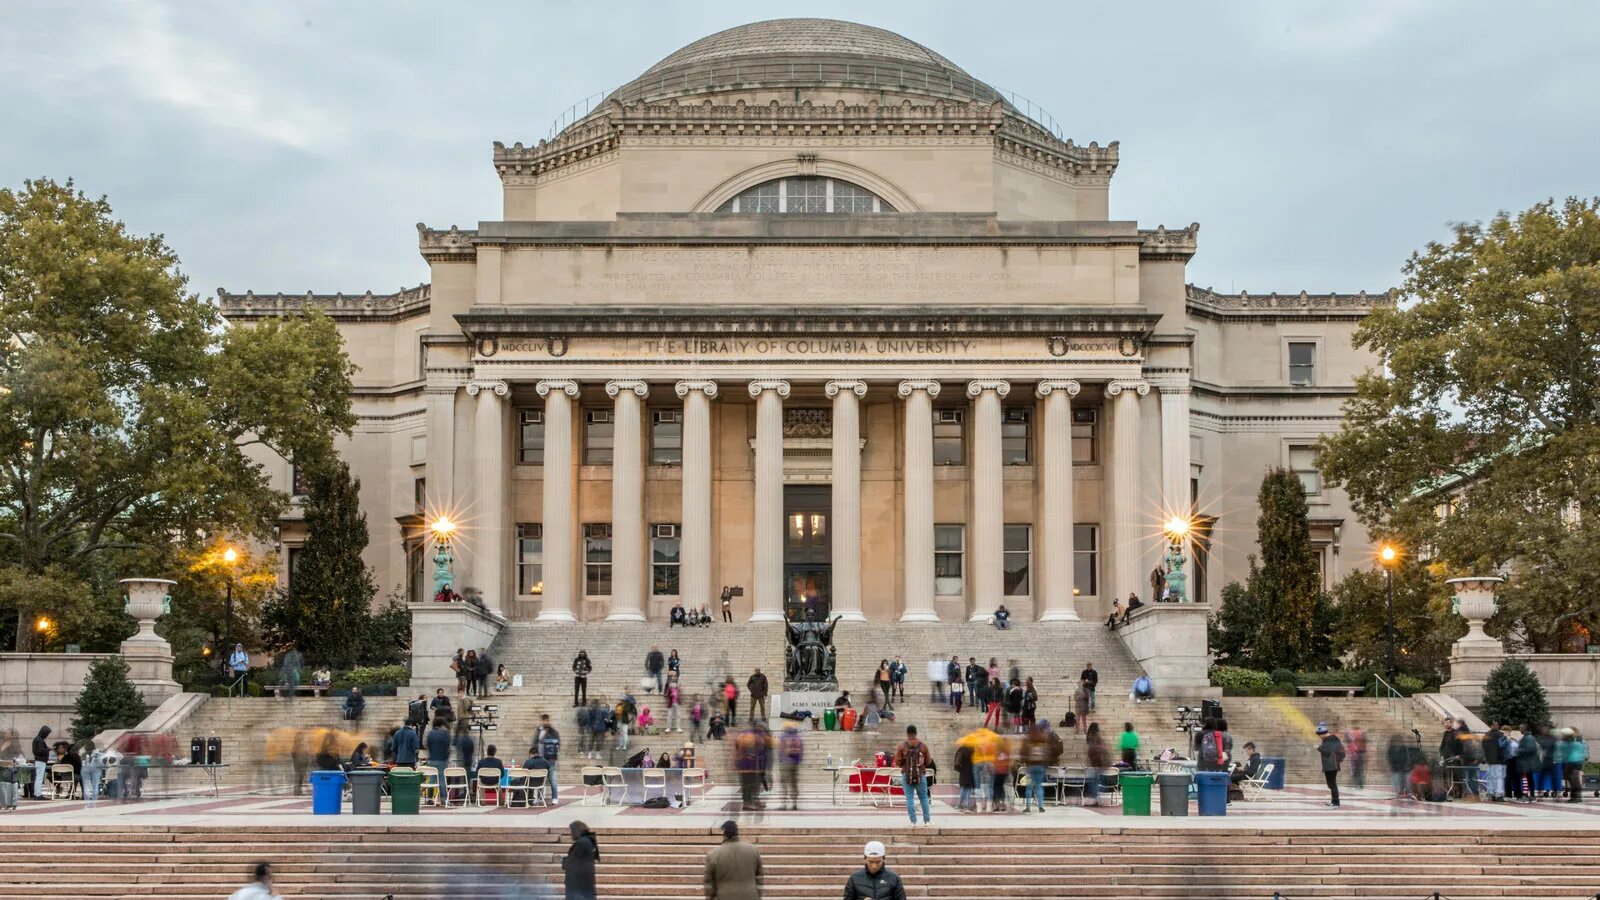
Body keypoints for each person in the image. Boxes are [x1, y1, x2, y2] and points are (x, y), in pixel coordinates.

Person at [704, 819, 763, 900]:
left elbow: (709, 884)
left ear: (723, 833)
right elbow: (759, 877)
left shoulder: (713, 855)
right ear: (737, 832)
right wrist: (757, 894)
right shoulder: (753, 850)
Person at [893, 725, 932, 825]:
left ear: (907, 733)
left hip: (906, 774)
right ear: (916, 733)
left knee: (909, 798)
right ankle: (927, 821)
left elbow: (897, 761)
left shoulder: (902, 746)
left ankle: (913, 821)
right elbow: (928, 761)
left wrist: (905, 765)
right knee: (923, 797)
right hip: (920, 774)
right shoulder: (923, 745)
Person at [562, 820, 599, 900]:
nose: (571, 834)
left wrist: (564, 861)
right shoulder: (589, 841)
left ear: (577, 831)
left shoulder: (582, 843)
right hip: (585, 884)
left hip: (578, 886)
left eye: (572, 831)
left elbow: (573, 862)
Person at [1316, 723, 1346, 808]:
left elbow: (1327, 751)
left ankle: (1335, 803)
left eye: (1319, 735)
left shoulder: (1331, 739)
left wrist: (1318, 747)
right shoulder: (1330, 739)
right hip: (1330, 765)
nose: (1319, 737)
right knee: (1331, 784)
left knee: (1332, 784)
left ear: (1323, 733)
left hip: (1331, 765)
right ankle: (1334, 802)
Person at [535, 713, 561, 800]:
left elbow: (558, 745)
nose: (544, 722)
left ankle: (555, 797)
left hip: (551, 759)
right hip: (540, 758)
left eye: (546, 720)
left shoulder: (553, 731)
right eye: (543, 720)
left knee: (552, 778)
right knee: (540, 778)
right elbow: (535, 743)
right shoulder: (539, 730)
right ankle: (539, 797)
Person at [778, 725, 803, 810]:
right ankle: (794, 803)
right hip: (795, 764)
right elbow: (801, 752)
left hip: (785, 763)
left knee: (784, 783)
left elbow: (781, 750)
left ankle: (784, 804)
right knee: (793, 784)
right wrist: (797, 762)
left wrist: (780, 760)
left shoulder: (783, 737)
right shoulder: (798, 738)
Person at [1083, 722, 1107, 806]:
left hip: (1092, 761)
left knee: (1093, 781)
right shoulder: (1097, 737)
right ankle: (1096, 798)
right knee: (1096, 781)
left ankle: (1094, 797)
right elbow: (1102, 749)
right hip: (1098, 762)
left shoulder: (1089, 736)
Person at [1564, 727, 1588, 803]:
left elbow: (1584, 753)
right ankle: (1574, 796)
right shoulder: (1571, 740)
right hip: (1571, 761)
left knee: (1575, 780)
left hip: (1576, 762)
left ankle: (1577, 797)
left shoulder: (1579, 740)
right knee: (1570, 778)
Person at [1345, 724, 1368, 790]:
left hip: (1355, 753)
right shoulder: (1362, 734)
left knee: (1356, 769)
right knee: (1359, 769)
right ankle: (1359, 784)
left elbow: (1348, 740)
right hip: (1360, 753)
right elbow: (1365, 741)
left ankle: (1357, 784)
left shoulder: (1351, 734)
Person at [31, 725, 50, 800]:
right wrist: (48, 750)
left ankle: (37, 794)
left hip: (39, 761)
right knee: (39, 778)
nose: (47, 735)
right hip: (40, 761)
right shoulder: (39, 740)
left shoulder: (37, 739)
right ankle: (38, 795)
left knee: (38, 778)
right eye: (47, 734)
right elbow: (40, 751)